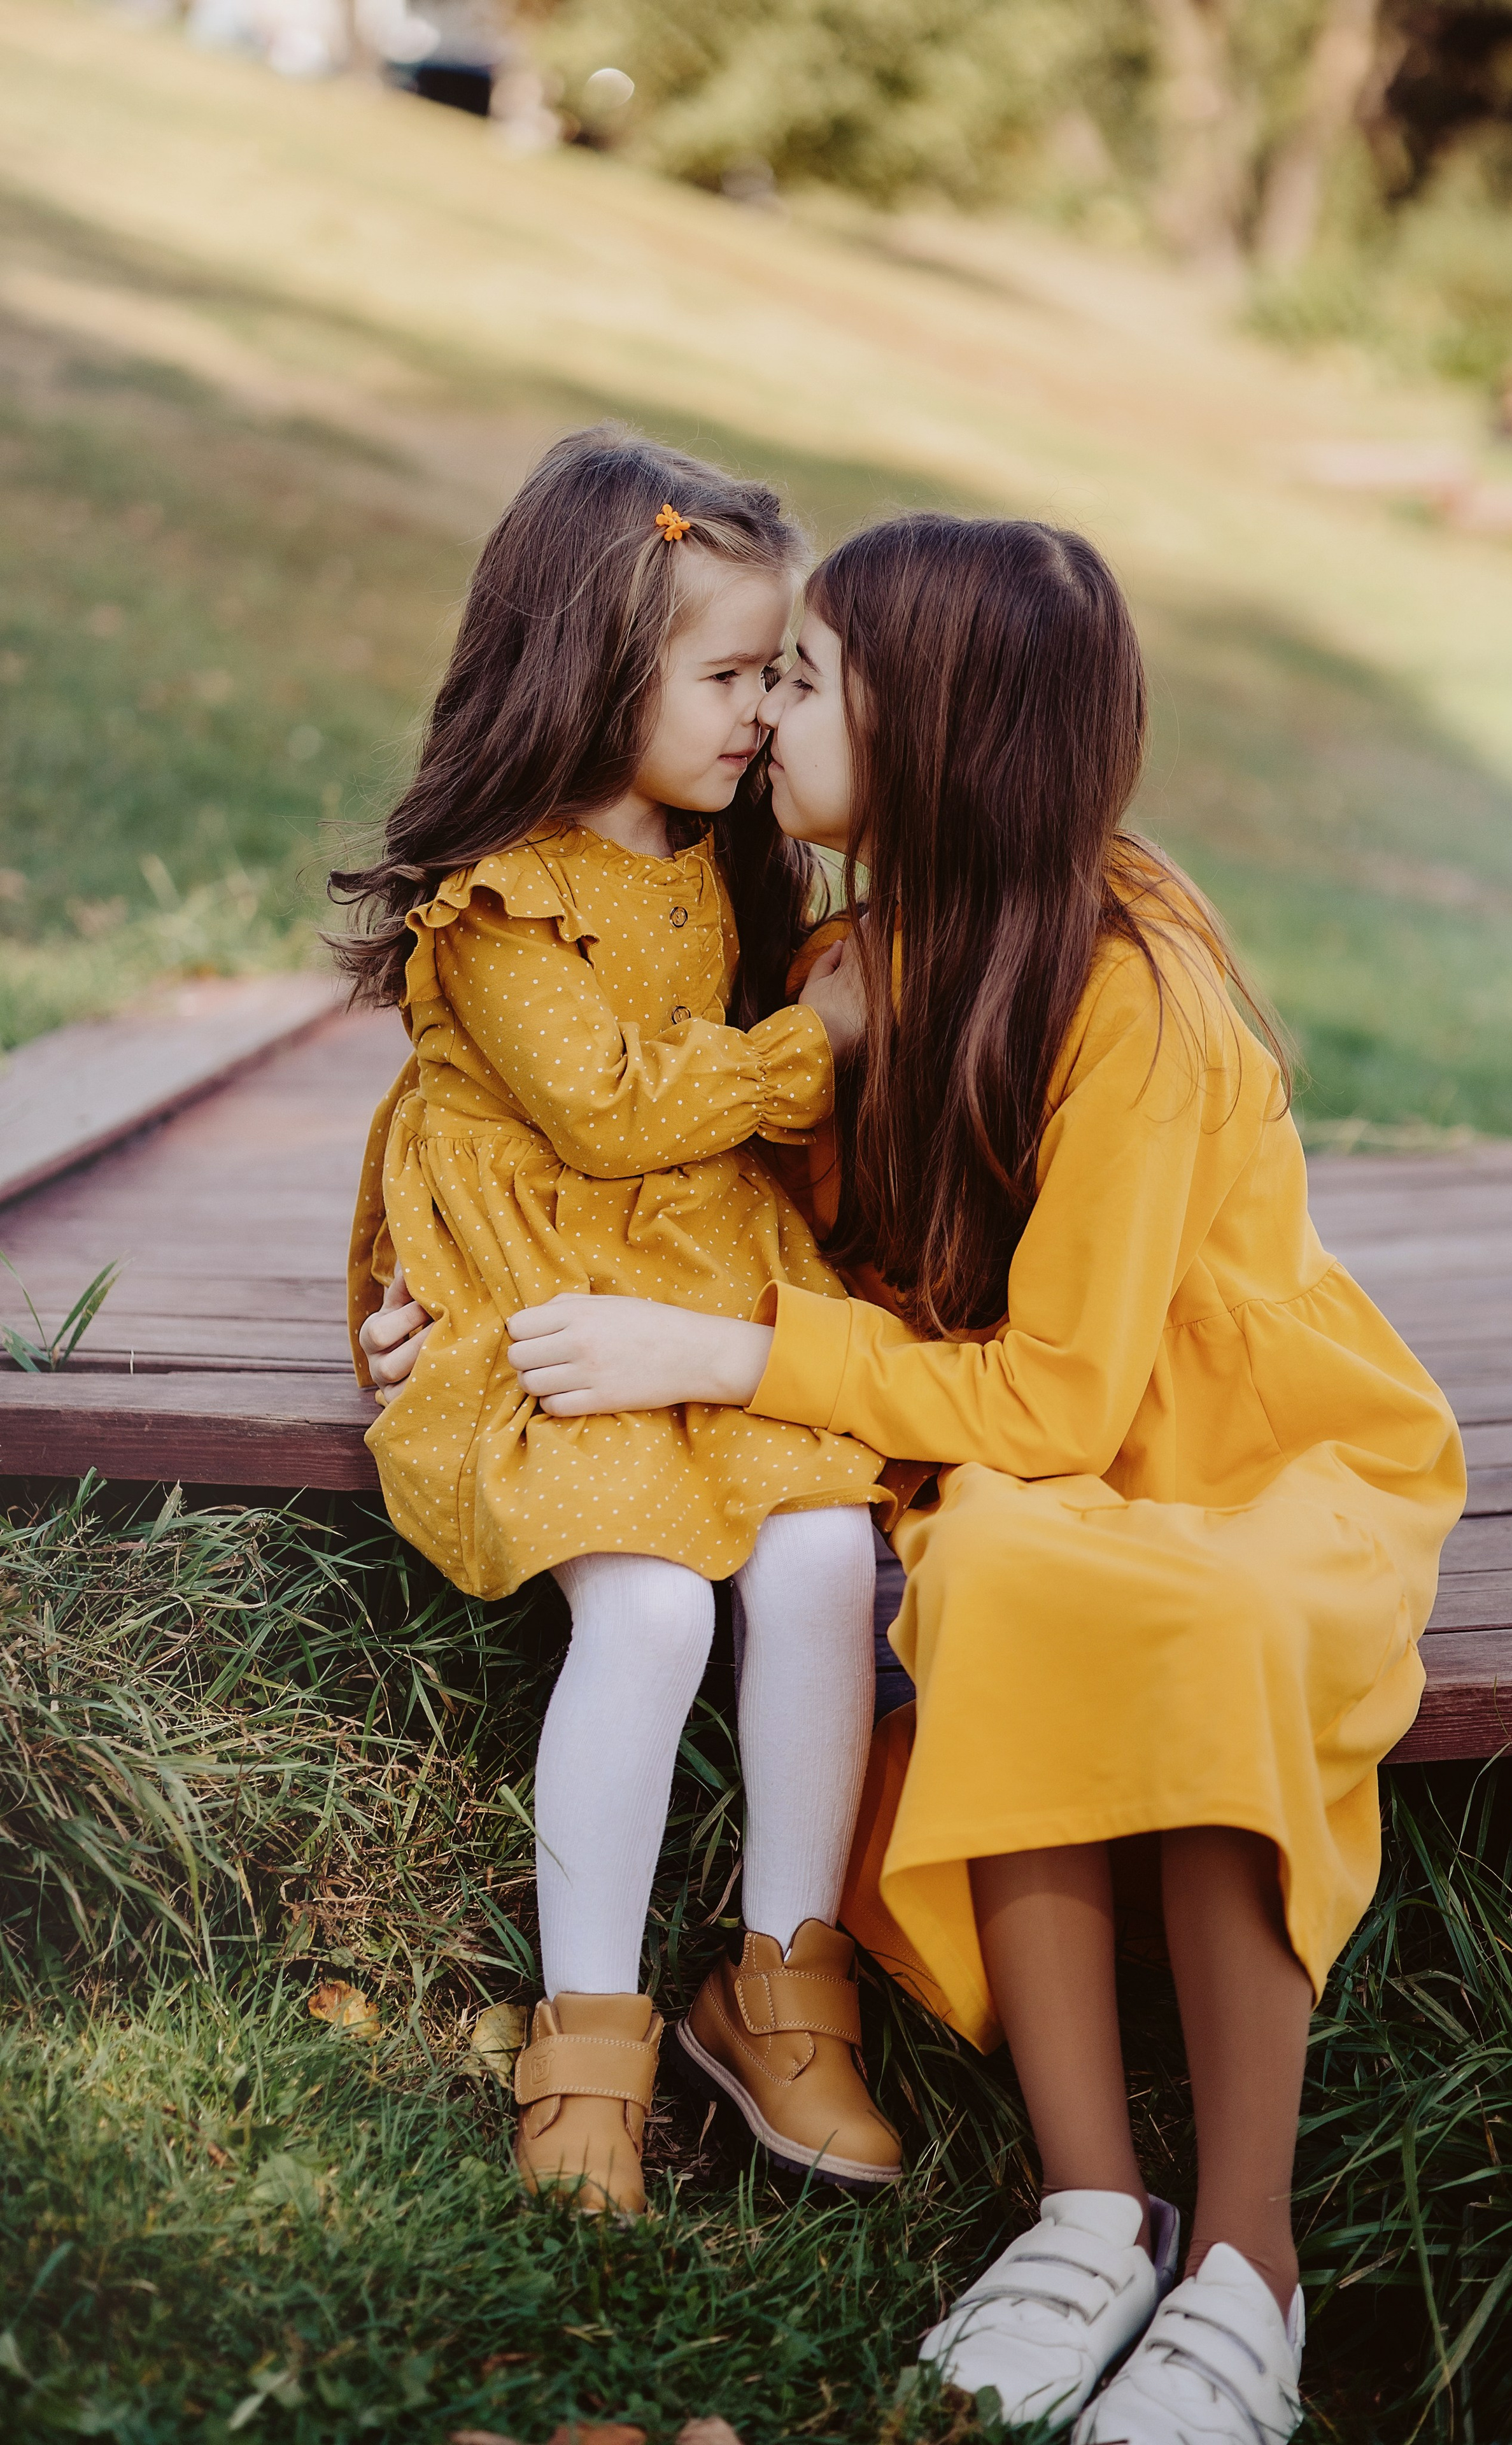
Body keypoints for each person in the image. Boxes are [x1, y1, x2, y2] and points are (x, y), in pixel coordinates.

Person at [367, 511, 1466, 2444]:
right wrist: (415, 1294)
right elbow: (564, 1126)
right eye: (767, 673)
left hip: (1234, 1442)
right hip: (1008, 1439)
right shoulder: (853, 952)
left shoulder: (1140, 999)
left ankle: (1248, 2266)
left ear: (939, 740)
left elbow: (1064, 1385)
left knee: (1212, 1627)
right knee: (1009, 1588)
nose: (773, 709)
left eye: (809, 681)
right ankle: (1087, 2204)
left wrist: (729, 1356)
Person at [334, 429, 901, 2220]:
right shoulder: (505, 890)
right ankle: (588, 2031)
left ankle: (788, 1982)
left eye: (773, 677)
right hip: (541, 1309)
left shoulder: (728, 865)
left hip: (707, 1283)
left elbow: (709, 1128)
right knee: (653, 1605)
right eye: (731, 675)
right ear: (594, 668)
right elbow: (606, 1116)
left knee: (822, 1553)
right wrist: (823, 1045)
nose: (760, 716)